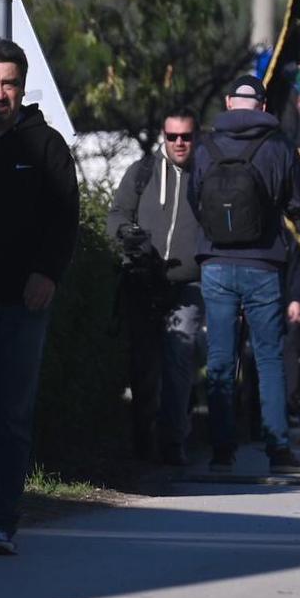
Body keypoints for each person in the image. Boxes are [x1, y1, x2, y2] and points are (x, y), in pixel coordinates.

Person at [0, 39, 80, 555]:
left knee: (10, 413)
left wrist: (47, 272)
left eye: (8, 83)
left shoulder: (46, 146)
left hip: (22, 304)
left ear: (22, 85)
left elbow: (64, 218)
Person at [189, 74, 300, 473]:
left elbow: (196, 200)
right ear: (261, 105)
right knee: (269, 358)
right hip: (263, 264)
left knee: (221, 359)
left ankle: (222, 450)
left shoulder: (206, 146)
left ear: (228, 103)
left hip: (216, 264)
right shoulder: (279, 145)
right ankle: (277, 448)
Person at [107, 106, 203, 465]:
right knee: (144, 365)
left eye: (186, 136)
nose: (179, 143)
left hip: (187, 286)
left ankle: (173, 441)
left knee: (179, 361)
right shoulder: (143, 171)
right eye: (172, 136)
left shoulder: (206, 175)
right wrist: (128, 237)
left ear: (197, 137)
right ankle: (142, 437)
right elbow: (116, 214)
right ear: (164, 136)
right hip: (144, 283)